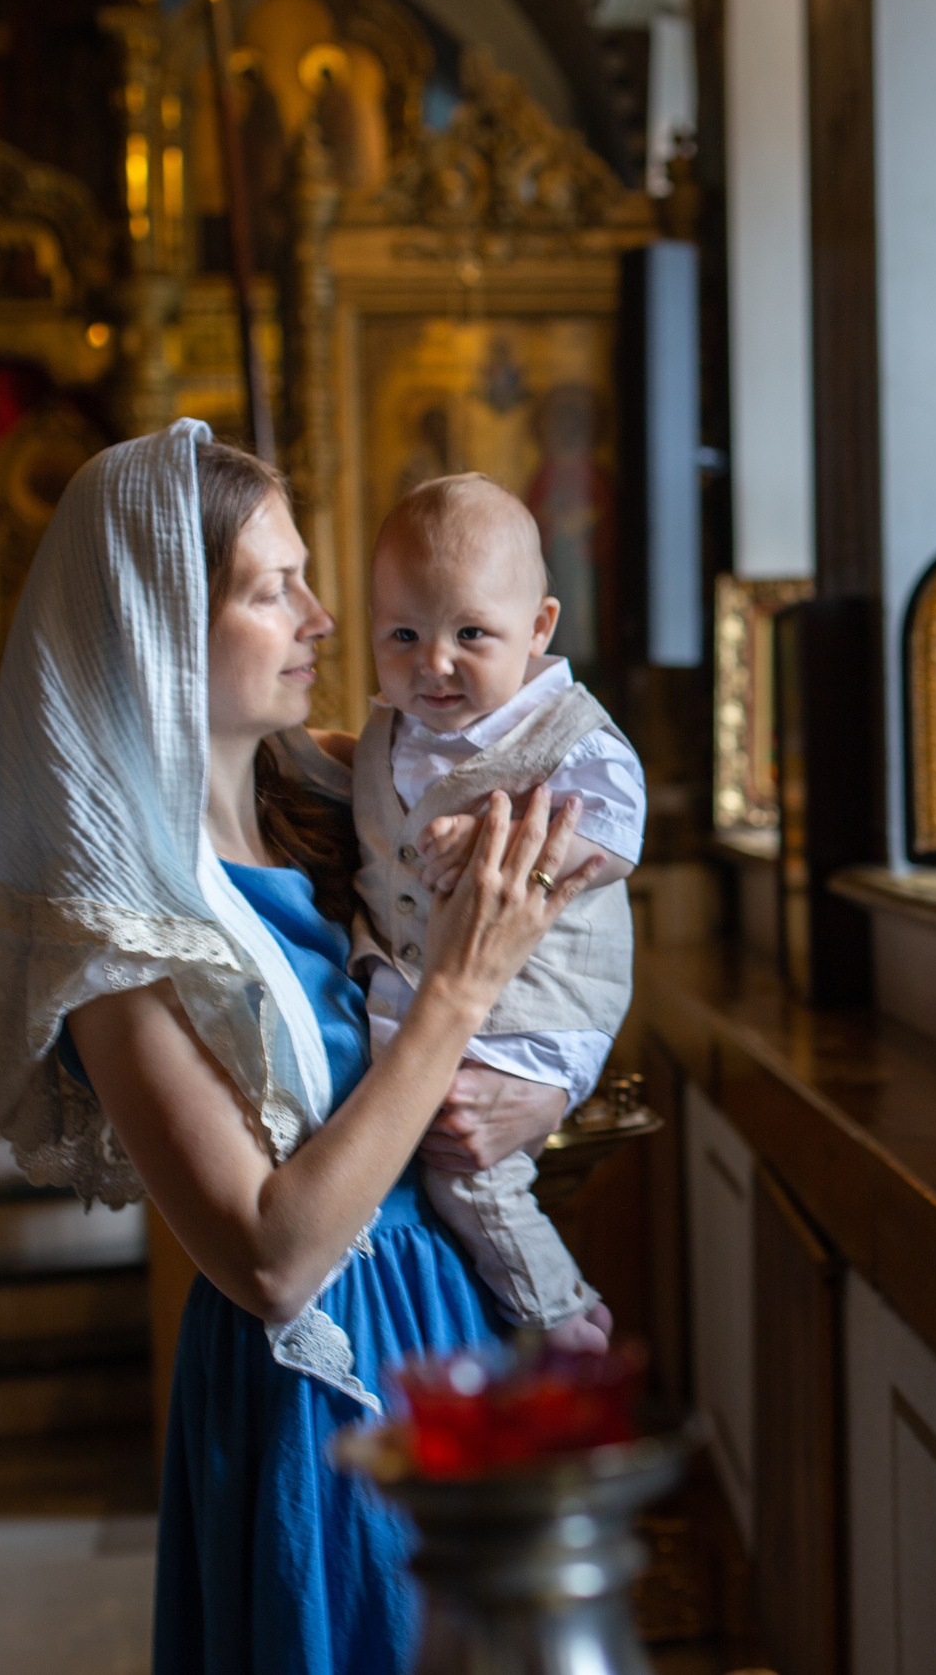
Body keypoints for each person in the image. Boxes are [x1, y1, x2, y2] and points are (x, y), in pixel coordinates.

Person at [0, 420, 610, 1673]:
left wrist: (531, 1097)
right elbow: (272, 1261)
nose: (321, 618)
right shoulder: (119, 935)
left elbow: (554, 944)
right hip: (321, 1387)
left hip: (447, 1317)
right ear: (159, 627)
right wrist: (458, 991)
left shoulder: (352, 794)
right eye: (270, 589)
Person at [353, 472, 647, 1354]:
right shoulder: (388, 734)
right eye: (403, 634)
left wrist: (498, 835)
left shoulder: (569, 734)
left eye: (470, 633)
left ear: (539, 628)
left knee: (466, 1176)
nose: (434, 663)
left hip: (540, 1002)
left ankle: (564, 1316)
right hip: (433, 993)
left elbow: (614, 838)